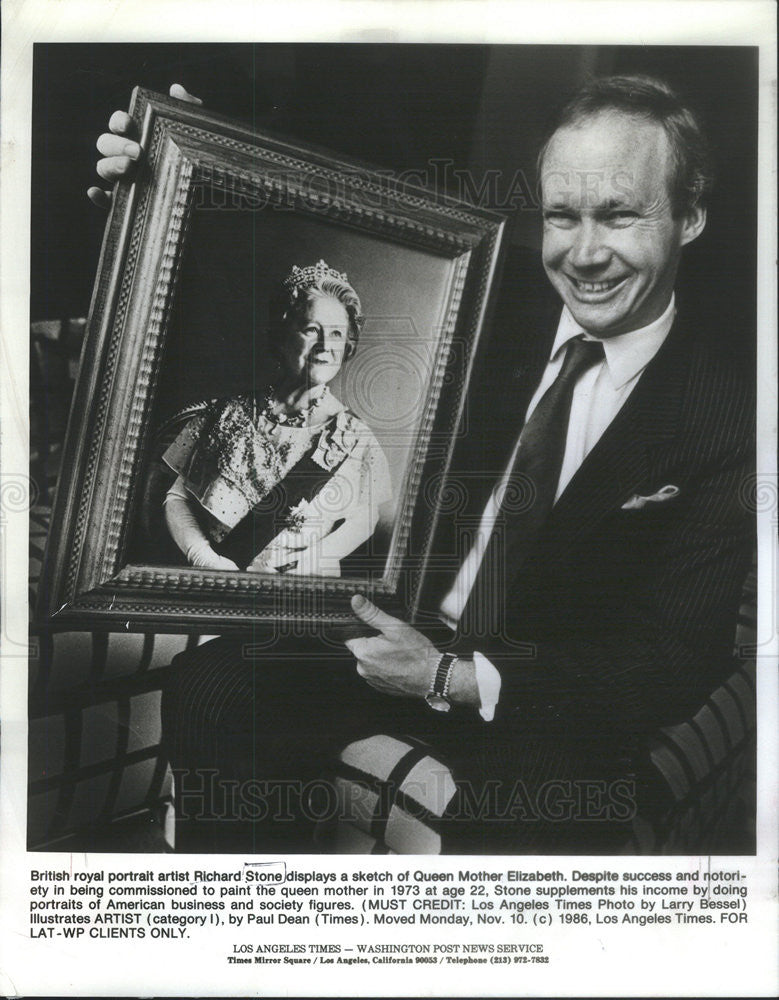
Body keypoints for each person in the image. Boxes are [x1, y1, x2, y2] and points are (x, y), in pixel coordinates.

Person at [92, 74, 754, 853]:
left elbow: (675, 657)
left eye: (618, 215)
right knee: (214, 687)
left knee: (541, 818)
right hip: (386, 615)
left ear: (690, 214)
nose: (583, 254)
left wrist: (450, 679)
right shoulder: (477, 295)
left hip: (539, 689)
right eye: (561, 216)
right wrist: (180, 181)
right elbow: (308, 246)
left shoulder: (729, 412)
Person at [158, 261, 392, 577]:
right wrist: (204, 558)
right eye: (312, 329)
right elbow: (177, 498)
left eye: (337, 333)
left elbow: (364, 519)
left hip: (297, 593)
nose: (325, 346)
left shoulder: (353, 436)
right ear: (282, 335)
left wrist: (313, 561)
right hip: (215, 581)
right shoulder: (228, 413)